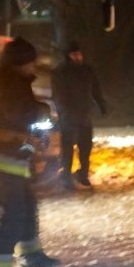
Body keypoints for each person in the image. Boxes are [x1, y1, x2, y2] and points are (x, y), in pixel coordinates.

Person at [0, 37, 60, 267]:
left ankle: (31, 256)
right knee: (8, 215)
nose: (35, 66)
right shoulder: (11, 84)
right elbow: (18, 115)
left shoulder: (6, 81)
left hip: (7, 157)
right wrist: (41, 111)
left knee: (25, 208)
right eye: (32, 61)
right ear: (22, 62)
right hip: (2, 159)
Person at [51, 40, 107, 190]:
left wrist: (101, 104)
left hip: (84, 114)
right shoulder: (60, 72)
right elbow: (58, 95)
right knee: (68, 147)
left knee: (85, 146)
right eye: (74, 54)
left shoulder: (87, 70)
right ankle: (66, 176)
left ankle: (83, 174)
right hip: (68, 116)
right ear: (68, 56)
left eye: (79, 53)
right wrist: (65, 112)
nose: (78, 57)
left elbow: (95, 88)